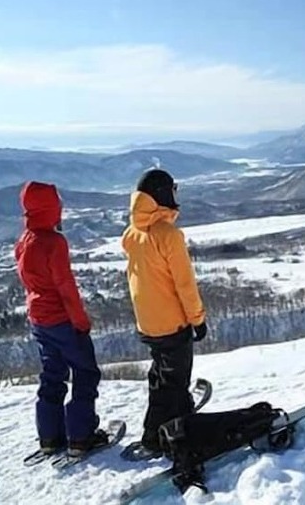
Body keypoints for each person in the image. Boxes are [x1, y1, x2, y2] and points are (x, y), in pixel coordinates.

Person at [14, 181, 106, 457]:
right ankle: (80, 436)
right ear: (51, 208)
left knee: (52, 374)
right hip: (62, 319)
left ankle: (50, 437)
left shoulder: (24, 241)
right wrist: (81, 322)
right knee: (85, 372)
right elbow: (66, 287)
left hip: (39, 320)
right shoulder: (54, 242)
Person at [121, 169, 208, 454]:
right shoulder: (168, 234)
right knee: (174, 381)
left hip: (147, 321)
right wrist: (198, 319)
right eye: (173, 189)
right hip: (172, 322)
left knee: (163, 374)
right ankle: (158, 437)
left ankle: (181, 416)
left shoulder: (132, 233)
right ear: (162, 194)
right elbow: (185, 284)